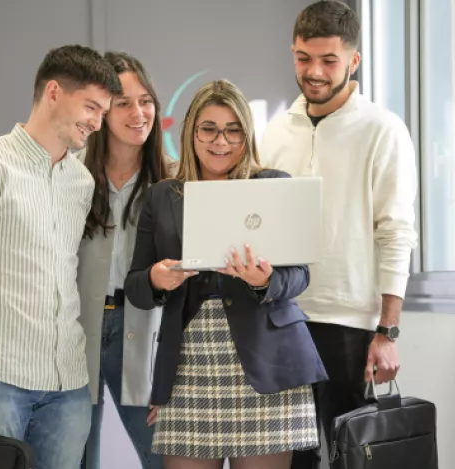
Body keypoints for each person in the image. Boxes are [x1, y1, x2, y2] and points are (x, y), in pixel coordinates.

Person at [0, 45, 122, 469]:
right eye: (91, 106)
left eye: (102, 112)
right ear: (53, 91)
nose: (96, 122)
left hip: (69, 384)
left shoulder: (80, 181)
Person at [124, 79, 328, 469]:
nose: (222, 141)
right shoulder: (163, 196)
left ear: (247, 135)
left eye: (234, 130)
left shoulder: (272, 185)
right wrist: (156, 278)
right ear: (191, 133)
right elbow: (136, 285)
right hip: (190, 360)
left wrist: (263, 281)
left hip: (266, 360)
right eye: (209, 128)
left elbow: (300, 275)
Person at [258, 2, 418, 467]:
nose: (315, 72)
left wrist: (387, 330)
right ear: (293, 53)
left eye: (329, 60)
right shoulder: (274, 133)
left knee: (352, 457)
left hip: (350, 324)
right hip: (282, 319)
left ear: (353, 60)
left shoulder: (382, 130)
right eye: (304, 58)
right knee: (295, 460)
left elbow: (396, 231)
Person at [76, 51, 170, 469]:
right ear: (102, 113)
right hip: (78, 330)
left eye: (145, 100)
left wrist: (170, 376)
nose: (138, 113)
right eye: (123, 103)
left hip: (144, 329)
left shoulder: (172, 182)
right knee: (77, 458)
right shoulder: (71, 175)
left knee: (164, 458)